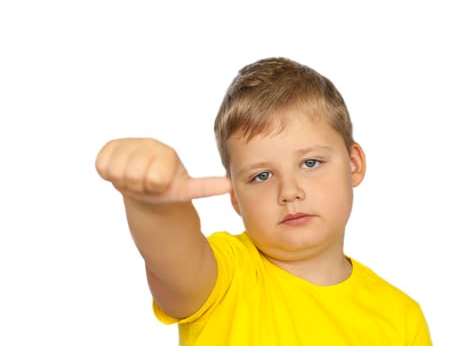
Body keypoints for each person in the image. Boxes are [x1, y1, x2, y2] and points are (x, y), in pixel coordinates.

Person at [95, 57, 432, 345]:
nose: (289, 191)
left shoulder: (399, 317)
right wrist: (153, 204)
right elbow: (173, 260)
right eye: (261, 176)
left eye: (310, 163)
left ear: (353, 164)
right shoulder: (226, 276)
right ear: (235, 198)